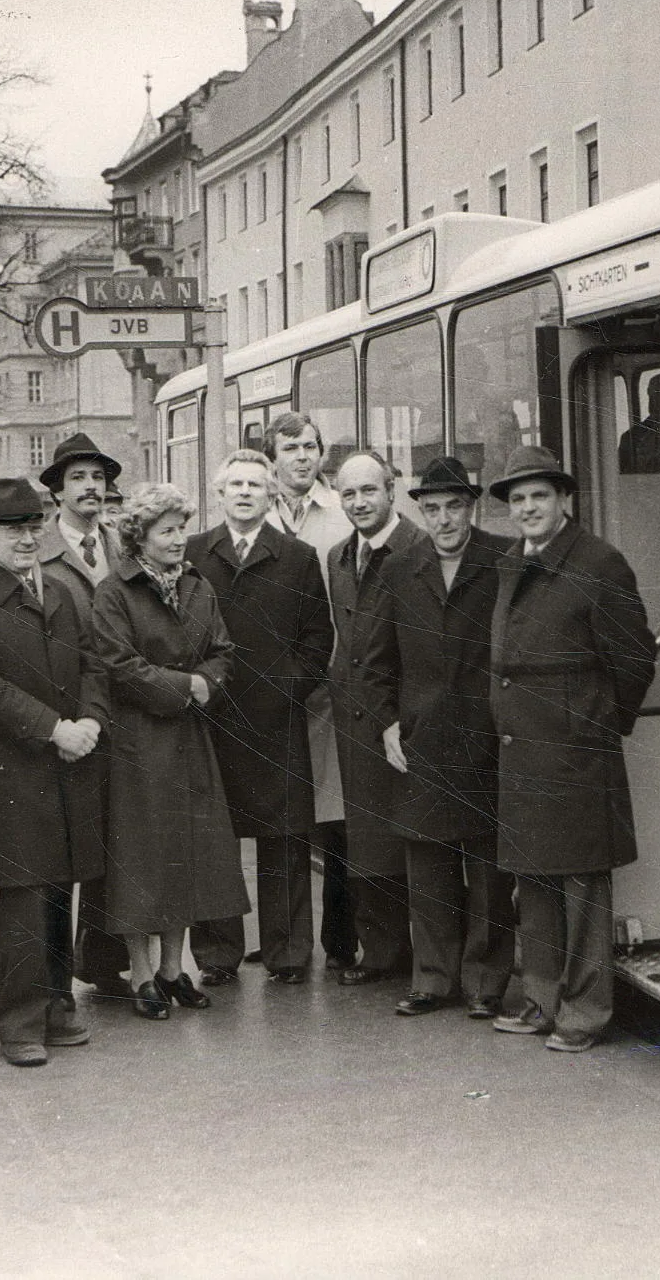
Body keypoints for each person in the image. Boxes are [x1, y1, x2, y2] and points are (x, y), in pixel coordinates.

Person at [0, 478, 107, 1068]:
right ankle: (20, 1024)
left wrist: (90, 721)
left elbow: (95, 665)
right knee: (26, 894)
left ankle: (58, 1006)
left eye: (35, 526)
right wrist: (55, 728)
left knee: (61, 887)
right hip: (10, 771)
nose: (27, 538)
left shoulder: (59, 590)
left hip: (66, 762)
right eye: (13, 529)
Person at [485, 447, 656, 1053]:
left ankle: (583, 1014)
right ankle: (540, 1000)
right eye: (518, 499)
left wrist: (595, 725)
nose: (528, 507)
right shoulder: (513, 560)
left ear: (564, 500)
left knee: (582, 889)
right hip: (525, 753)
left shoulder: (599, 564)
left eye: (539, 496)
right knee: (534, 883)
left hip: (575, 752)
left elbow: (635, 660)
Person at [365, 456, 516, 1018]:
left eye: (454, 507)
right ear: (420, 512)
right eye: (432, 509)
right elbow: (374, 662)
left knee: (488, 870)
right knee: (427, 865)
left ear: (471, 507)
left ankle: (485, 984)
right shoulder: (400, 568)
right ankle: (432, 979)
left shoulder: (504, 558)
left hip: (487, 735)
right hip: (422, 740)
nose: (444, 519)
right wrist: (387, 724)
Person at [91, 483, 248, 1020]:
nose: (180, 538)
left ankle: (172, 969)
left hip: (189, 739)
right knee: (142, 859)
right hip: (138, 741)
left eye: (182, 527)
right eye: (167, 530)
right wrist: (189, 688)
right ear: (140, 537)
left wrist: (208, 681)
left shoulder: (198, 587)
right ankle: (140, 974)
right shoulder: (115, 591)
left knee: (186, 853)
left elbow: (223, 650)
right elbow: (117, 665)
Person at [188, 449, 334, 984]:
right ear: (219, 494)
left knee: (286, 839)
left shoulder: (297, 557)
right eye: (236, 485)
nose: (245, 492)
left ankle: (289, 953)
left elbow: (319, 638)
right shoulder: (193, 553)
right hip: (213, 718)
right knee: (214, 839)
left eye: (255, 484)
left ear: (271, 493)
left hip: (277, 721)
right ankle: (218, 954)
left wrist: (288, 689)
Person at [34, 432, 133, 1001]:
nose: (91, 487)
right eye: (78, 478)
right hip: (66, 716)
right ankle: (51, 976)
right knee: (59, 842)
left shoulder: (122, 546)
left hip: (122, 710)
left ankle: (102, 959)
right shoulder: (40, 551)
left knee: (113, 837)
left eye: (98, 478)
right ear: (57, 492)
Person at [259, 411, 358, 972]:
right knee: (281, 817)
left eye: (311, 446)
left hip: (332, 684)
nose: (303, 456)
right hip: (273, 690)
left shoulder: (340, 516)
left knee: (336, 816)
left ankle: (341, 941)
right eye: (291, 447)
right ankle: (283, 939)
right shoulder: (253, 514)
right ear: (272, 456)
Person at [325, 452, 415, 985]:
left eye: (369, 491)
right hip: (356, 720)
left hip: (403, 719)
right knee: (368, 838)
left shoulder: (418, 550)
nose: (359, 503)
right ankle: (381, 953)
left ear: (392, 490)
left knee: (415, 841)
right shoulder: (340, 556)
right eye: (349, 494)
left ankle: (425, 957)